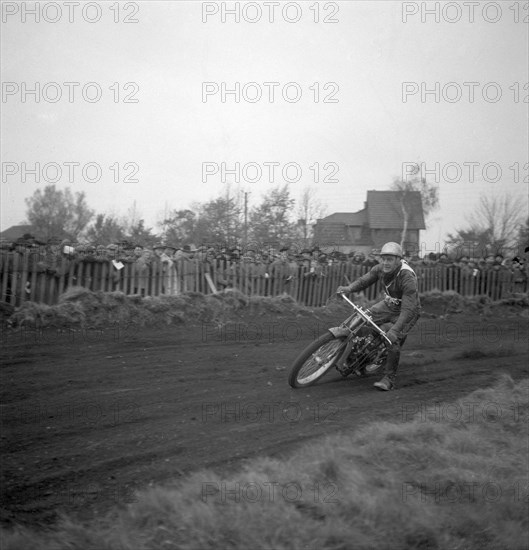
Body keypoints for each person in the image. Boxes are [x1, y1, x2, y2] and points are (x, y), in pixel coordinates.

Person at [336, 242, 421, 391]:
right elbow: (364, 281)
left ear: (398, 260)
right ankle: (356, 356)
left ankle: (389, 379)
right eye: (384, 259)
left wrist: (395, 331)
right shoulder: (380, 269)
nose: (386, 263)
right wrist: (348, 288)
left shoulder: (407, 276)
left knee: (391, 338)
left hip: (407, 311)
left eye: (390, 259)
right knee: (361, 319)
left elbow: (407, 309)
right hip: (388, 304)